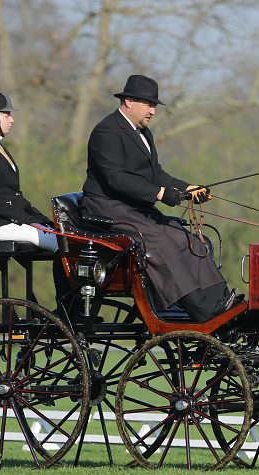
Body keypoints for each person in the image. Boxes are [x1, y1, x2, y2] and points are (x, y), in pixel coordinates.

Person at [80, 74, 236, 322]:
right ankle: (203, 312)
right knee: (161, 241)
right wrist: (161, 194)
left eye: (154, 105)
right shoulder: (107, 131)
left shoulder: (143, 132)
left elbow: (156, 174)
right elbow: (115, 178)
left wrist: (188, 189)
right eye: (148, 104)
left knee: (190, 239)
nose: (153, 110)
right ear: (129, 101)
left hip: (135, 208)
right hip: (108, 208)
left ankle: (220, 301)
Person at [0, 90, 57, 252]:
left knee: (65, 238)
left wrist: (40, 218)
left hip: (12, 222)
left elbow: (15, 196)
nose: (12, 119)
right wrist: (25, 219)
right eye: (7, 115)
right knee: (60, 243)